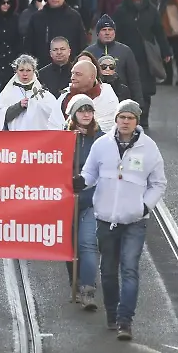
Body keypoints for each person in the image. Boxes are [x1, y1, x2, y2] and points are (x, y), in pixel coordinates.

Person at [78, 99, 167, 340]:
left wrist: (144, 206)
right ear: (116, 119)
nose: (125, 122)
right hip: (106, 218)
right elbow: (90, 173)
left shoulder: (149, 148)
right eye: (122, 117)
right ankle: (112, 313)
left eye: (130, 118)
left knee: (129, 269)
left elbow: (158, 183)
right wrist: (81, 181)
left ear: (136, 121)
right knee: (108, 270)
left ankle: (125, 320)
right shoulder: (102, 145)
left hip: (134, 221)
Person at [112, 0, 171, 127]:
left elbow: (159, 31)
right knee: (126, 86)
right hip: (125, 54)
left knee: (145, 88)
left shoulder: (151, 10)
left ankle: (143, 118)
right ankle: (126, 118)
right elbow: (114, 32)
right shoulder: (120, 10)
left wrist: (166, 51)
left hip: (145, 55)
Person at [65, 94, 103, 311]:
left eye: (89, 110)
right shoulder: (63, 137)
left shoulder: (101, 138)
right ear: (73, 114)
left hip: (91, 200)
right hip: (67, 201)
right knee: (69, 246)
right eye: (82, 110)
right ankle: (76, 283)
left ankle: (88, 288)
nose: (86, 114)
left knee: (87, 243)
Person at [0, 54, 66, 131]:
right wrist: (18, 107)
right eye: (21, 70)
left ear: (34, 71)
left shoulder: (44, 94)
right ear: (16, 71)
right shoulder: (8, 93)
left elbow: (56, 118)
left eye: (28, 70)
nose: (25, 74)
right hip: (15, 136)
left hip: (39, 136)